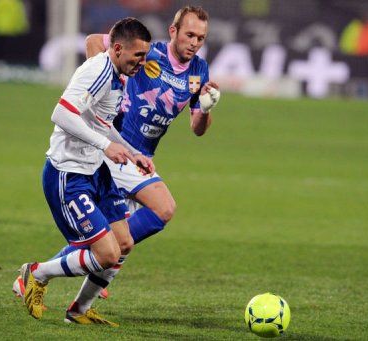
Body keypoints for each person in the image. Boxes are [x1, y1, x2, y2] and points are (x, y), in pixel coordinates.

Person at [14, 5, 221, 313]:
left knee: (120, 243)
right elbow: (95, 43)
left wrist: (205, 107)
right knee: (161, 209)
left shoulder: (198, 71)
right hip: (112, 149)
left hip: (133, 153)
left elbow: (197, 129)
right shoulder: (147, 52)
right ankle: (84, 267)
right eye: (190, 34)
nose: (194, 42)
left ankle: (83, 297)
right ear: (174, 31)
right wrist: (101, 92)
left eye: (201, 38)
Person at [18, 17, 153, 325]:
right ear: (118, 49)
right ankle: (36, 273)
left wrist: (133, 154)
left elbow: (101, 124)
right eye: (138, 56)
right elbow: (61, 113)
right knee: (106, 254)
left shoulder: (120, 75)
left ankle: (79, 311)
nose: (142, 63)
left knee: (124, 243)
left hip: (96, 170)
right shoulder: (97, 71)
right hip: (69, 173)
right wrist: (105, 147)